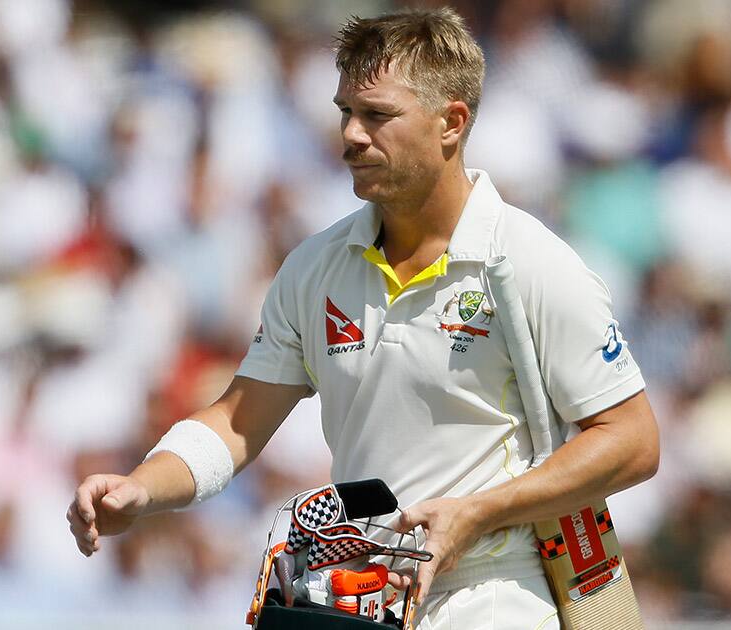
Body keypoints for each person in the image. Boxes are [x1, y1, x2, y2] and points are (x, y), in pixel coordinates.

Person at [68, 7, 660, 628]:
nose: (351, 134)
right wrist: (144, 486)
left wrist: (478, 512)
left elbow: (634, 441)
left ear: (451, 124)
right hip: (364, 603)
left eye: (377, 115)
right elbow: (238, 420)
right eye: (345, 111)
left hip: (497, 595)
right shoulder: (313, 266)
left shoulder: (529, 262)